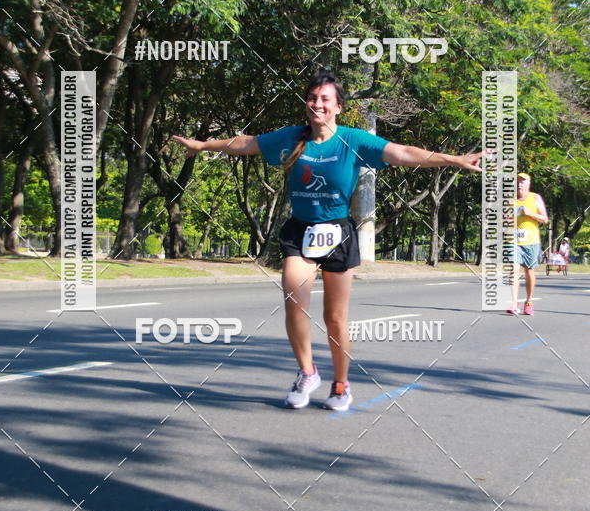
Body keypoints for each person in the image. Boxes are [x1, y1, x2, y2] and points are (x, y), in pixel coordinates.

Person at [172, 70, 484, 411]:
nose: (317, 104)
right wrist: (202, 145)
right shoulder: (292, 137)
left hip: (337, 232)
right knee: (294, 301)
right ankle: (307, 373)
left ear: (338, 107)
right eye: (312, 98)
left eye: (324, 99)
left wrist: (452, 159)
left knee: (335, 316)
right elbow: (248, 143)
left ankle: (341, 384)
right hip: (300, 230)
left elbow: (404, 153)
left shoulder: (354, 139)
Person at [507, 172, 549, 316]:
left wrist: (529, 213)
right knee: (513, 268)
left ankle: (529, 301)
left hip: (531, 241)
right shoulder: (510, 200)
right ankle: (513, 302)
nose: (519, 183)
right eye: (517, 181)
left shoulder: (535, 198)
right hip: (513, 241)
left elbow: (545, 219)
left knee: (529, 271)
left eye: (522, 181)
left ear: (528, 184)